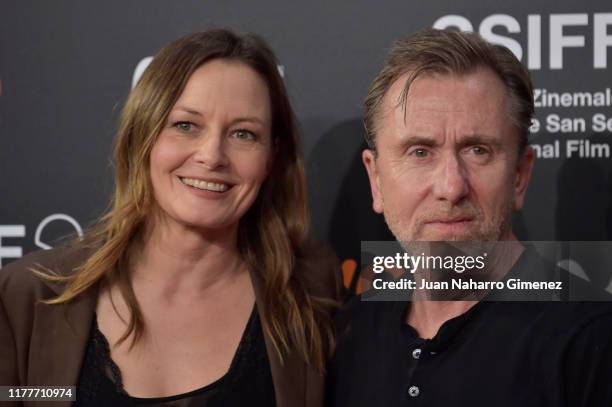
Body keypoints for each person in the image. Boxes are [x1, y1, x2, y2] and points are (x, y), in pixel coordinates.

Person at [0, 29, 340, 407]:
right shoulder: (29, 296)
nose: (212, 156)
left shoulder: (313, 292)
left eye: (244, 134)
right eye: (185, 125)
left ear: (271, 157)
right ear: (142, 135)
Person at [327, 29, 612, 406]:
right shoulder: (348, 335)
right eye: (419, 152)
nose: (451, 186)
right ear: (376, 180)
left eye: (478, 150)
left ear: (520, 177)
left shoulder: (594, 341)